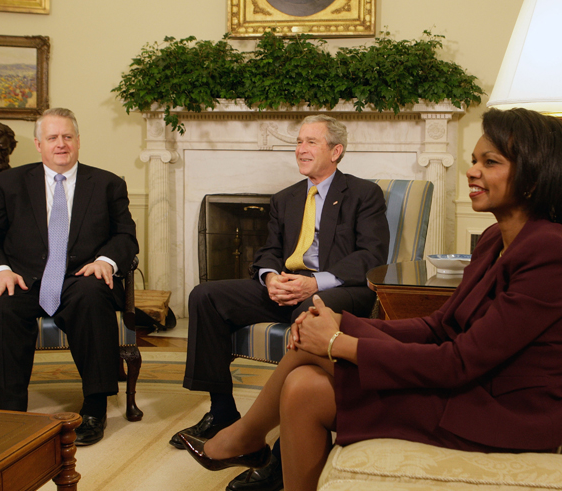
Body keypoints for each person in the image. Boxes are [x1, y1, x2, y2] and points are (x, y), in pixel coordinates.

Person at [179, 107, 562, 491]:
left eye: (489, 162)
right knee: (302, 387)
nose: (472, 171)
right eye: (474, 160)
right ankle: (241, 432)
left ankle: (244, 437)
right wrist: (342, 325)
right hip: (468, 382)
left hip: (501, 409)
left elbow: (458, 360)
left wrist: (338, 342)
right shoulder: (494, 239)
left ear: (532, 176)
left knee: (315, 339)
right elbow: (439, 326)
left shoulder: (548, 250)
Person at [171, 114, 390, 491]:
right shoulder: (286, 197)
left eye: (311, 142)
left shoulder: (363, 193)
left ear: (336, 151)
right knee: (205, 296)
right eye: (299, 142)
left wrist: (313, 283)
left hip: (338, 288)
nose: (300, 149)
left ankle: (278, 454)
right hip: (286, 284)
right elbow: (269, 251)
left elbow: (372, 255)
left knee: (309, 313)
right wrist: (271, 278)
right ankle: (222, 412)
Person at [0, 108, 139, 446]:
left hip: (81, 276)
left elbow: (126, 236)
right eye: (52, 138)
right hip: (23, 278)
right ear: (38, 144)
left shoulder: (108, 184)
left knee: (93, 295)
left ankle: (94, 408)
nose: (60, 144)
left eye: (67, 137)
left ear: (78, 142)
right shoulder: (10, 183)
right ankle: (10, 414)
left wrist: (106, 261)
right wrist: (0, 270)